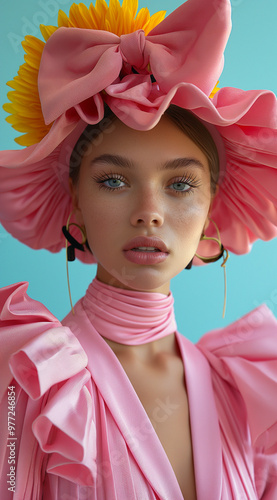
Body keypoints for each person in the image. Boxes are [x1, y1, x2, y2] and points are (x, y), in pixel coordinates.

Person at [0, 0, 277, 499]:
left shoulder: (253, 393)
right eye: (113, 180)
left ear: (212, 211)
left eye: (180, 185)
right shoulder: (25, 379)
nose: (149, 211)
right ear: (75, 206)